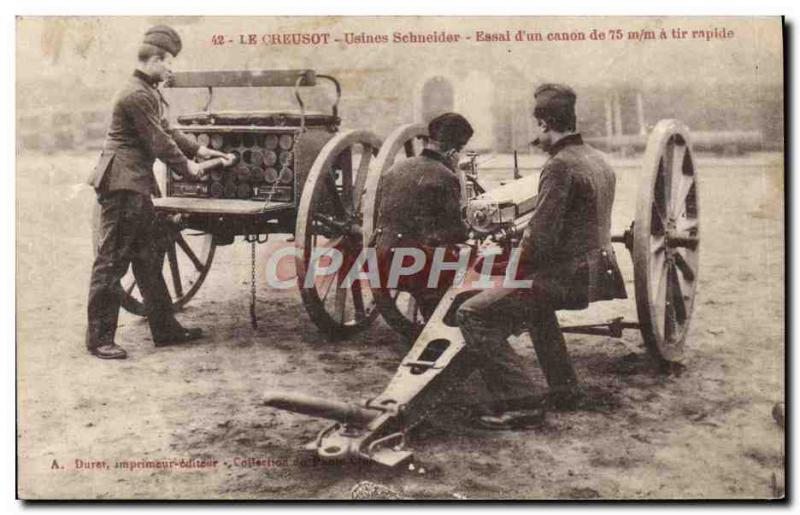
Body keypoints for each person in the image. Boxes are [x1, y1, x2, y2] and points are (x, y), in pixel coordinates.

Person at [456, 83, 628, 429]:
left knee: (471, 313)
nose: (538, 134)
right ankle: (565, 389)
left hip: (563, 278)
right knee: (534, 305)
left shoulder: (560, 166)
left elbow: (541, 241)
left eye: (538, 127)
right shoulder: (597, 159)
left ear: (545, 124)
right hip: (594, 272)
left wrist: (503, 267)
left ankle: (521, 402)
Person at [85, 25, 227, 359]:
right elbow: (158, 141)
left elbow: (167, 130)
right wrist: (187, 168)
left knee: (148, 258)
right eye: (168, 62)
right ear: (154, 59)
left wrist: (199, 151)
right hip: (123, 186)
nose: (170, 69)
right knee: (111, 262)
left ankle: (165, 329)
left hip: (134, 185)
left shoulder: (146, 90)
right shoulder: (136, 94)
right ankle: (99, 339)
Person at [374, 113, 473, 320]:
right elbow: (455, 233)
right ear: (454, 151)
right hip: (414, 267)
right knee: (474, 258)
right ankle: (447, 320)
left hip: (380, 261)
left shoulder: (396, 168)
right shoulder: (446, 176)